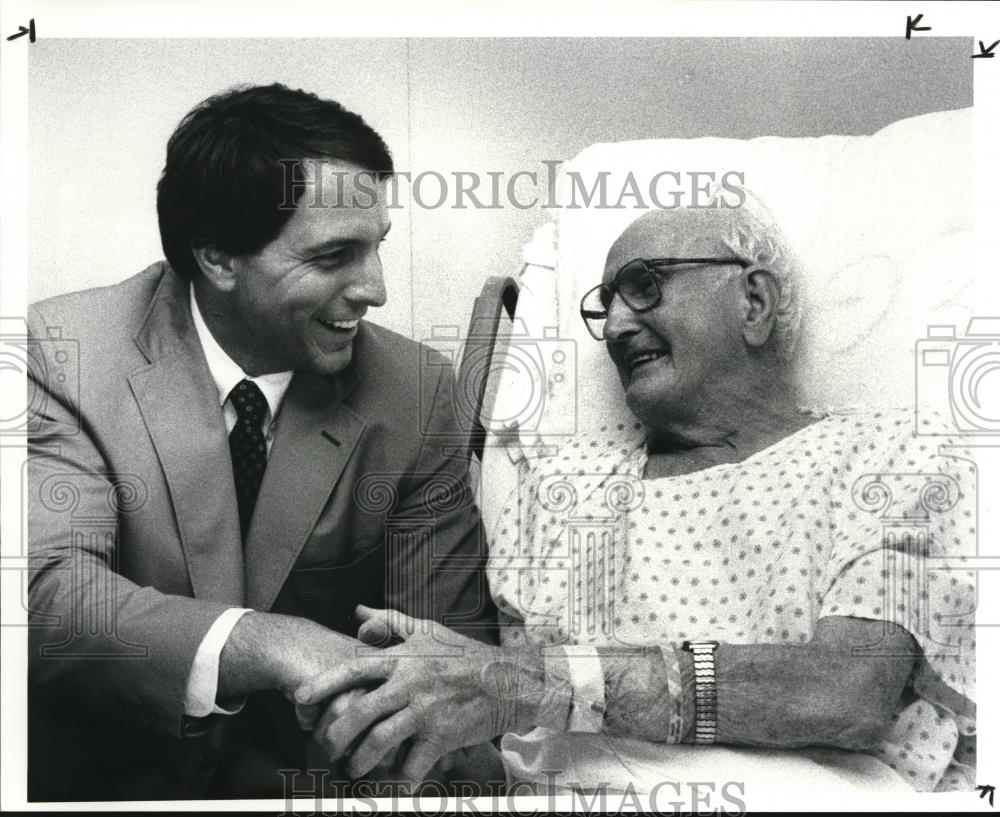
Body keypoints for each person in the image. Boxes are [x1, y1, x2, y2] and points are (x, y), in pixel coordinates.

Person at [297, 194, 976, 795]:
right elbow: (514, 750)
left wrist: (526, 681)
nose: (618, 325)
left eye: (645, 286)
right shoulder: (565, 488)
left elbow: (846, 692)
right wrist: (416, 722)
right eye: (607, 302)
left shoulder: (886, 456)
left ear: (755, 301)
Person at [26, 83, 496, 801]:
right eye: (335, 254)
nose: (374, 290)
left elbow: (449, 673)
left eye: (376, 248)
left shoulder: (419, 390)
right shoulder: (64, 353)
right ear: (217, 257)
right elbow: (50, 598)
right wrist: (270, 640)